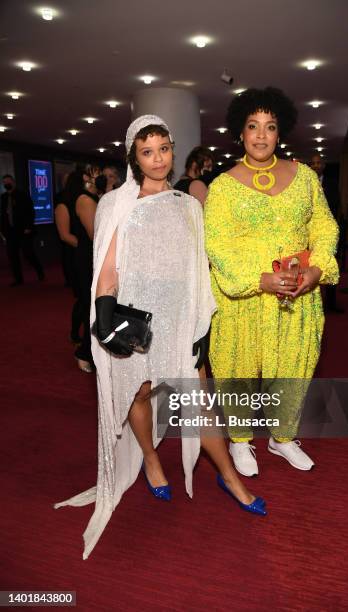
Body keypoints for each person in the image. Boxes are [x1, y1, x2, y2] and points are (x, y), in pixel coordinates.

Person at [55, 115, 266, 560]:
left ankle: (229, 477)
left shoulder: (189, 203)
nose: (157, 158)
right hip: (133, 314)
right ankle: (151, 459)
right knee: (140, 393)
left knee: (197, 401)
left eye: (164, 149)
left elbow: (197, 270)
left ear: (172, 150)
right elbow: (107, 269)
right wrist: (105, 314)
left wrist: (200, 326)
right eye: (147, 152)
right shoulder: (116, 203)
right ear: (134, 157)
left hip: (177, 316)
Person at [204, 87, 339, 477]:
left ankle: (282, 438)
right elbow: (218, 245)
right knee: (239, 368)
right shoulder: (223, 187)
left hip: (299, 294)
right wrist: (259, 279)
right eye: (252, 127)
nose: (261, 135)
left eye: (270, 127)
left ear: (280, 133)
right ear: (240, 133)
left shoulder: (305, 177)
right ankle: (240, 439)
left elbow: (325, 225)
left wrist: (316, 270)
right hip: (244, 300)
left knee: (294, 366)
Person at [72, 164, 101, 372]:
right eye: (98, 173)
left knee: (95, 305)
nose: (101, 177)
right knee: (90, 305)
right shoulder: (84, 199)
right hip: (88, 257)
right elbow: (95, 234)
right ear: (86, 177)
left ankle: (92, 351)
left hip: (96, 256)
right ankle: (84, 351)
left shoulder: (98, 197)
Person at [310, 153, 344, 313]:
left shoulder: (331, 184)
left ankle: (330, 303)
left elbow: (335, 206)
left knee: (328, 264)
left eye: (319, 163)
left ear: (324, 165)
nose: (316, 165)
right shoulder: (303, 183)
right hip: (306, 233)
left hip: (325, 232)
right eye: (313, 163)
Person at [55, 170, 84, 344]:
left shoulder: (83, 201)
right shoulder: (63, 204)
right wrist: (87, 248)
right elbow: (65, 235)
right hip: (75, 256)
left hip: (83, 254)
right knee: (83, 298)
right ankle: (74, 333)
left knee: (87, 298)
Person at [0, 174, 44, 286]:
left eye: (8, 182)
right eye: (4, 183)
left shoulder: (23, 195)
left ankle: (40, 271)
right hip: (10, 232)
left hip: (24, 231)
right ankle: (18, 279)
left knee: (28, 254)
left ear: (13, 182)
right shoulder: (3, 198)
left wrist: (29, 226)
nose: (6, 184)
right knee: (12, 256)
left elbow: (30, 212)